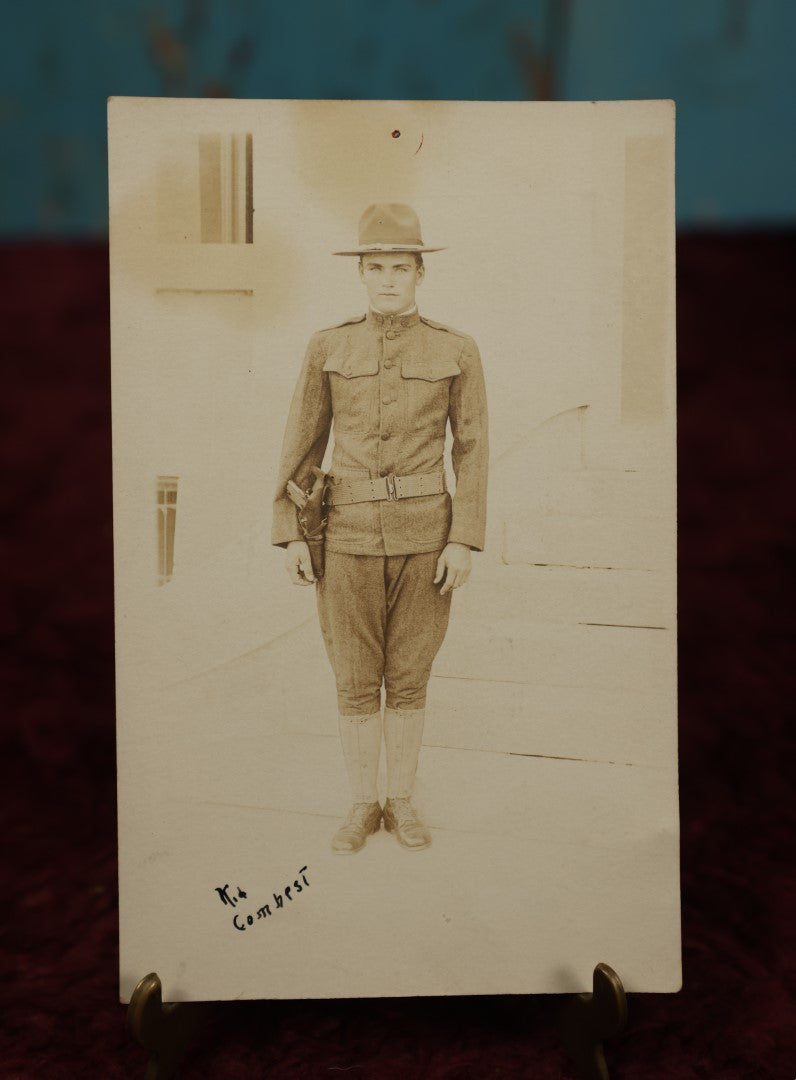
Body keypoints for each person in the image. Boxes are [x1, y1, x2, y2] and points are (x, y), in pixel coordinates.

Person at [272, 203, 488, 854]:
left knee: (412, 673)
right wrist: (290, 534)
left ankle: (403, 801)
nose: (388, 279)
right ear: (361, 274)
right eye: (376, 267)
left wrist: (463, 538)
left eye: (400, 267)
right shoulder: (328, 347)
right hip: (346, 539)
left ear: (420, 273)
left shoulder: (456, 350)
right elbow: (302, 444)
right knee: (355, 677)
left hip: (428, 537)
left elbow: (472, 448)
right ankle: (363, 803)